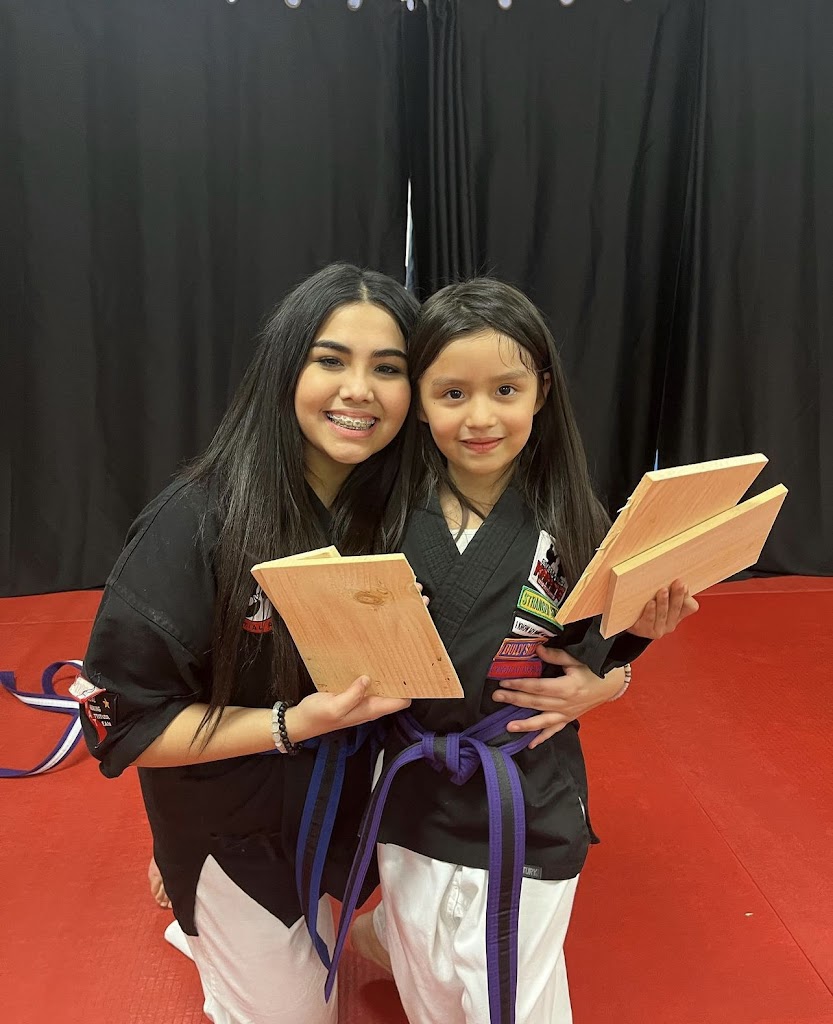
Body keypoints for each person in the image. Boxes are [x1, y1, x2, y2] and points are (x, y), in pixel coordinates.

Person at [329, 278, 699, 1024]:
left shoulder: (572, 513)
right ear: (418, 401)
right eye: (452, 393)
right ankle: (386, 937)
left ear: (541, 391)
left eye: (505, 389)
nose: (480, 417)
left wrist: (626, 654)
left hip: (527, 786)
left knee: (518, 1003)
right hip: (413, 791)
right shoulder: (377, 511)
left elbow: (591, 649)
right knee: (432, 988)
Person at [74, 263, 420, 1024]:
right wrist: (295, 723)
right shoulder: (195, 522)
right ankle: (197, 893)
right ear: (284, 368)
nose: (358, 390)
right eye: (330, 360)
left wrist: (606, 676)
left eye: (387, 368)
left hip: (362, 798)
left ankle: (360, 917)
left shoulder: (408, 510)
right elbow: (125, 726)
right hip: (239, 822)